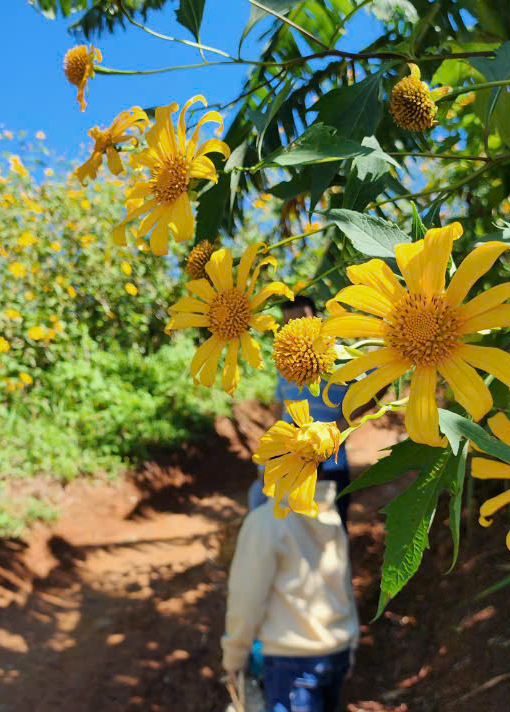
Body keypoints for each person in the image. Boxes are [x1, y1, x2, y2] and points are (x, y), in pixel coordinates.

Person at [222, 480, 359, 712]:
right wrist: (351, 643)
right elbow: (343, 583)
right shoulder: (329, 512)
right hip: (336, 652)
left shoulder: (265, 522)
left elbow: (246, 601)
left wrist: (234, 656)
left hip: (291, 660)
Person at [249, 296, 352, 527]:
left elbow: (375, 388)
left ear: (317, 320)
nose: (295, 329)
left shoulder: (343, 355)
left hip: (331, 452)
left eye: (301, 320)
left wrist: (338, 429)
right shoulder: (284, 365)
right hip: (292, 450)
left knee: (333, 520)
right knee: (266, 507)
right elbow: (278, 411)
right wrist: (267, 459)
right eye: (289, 323)